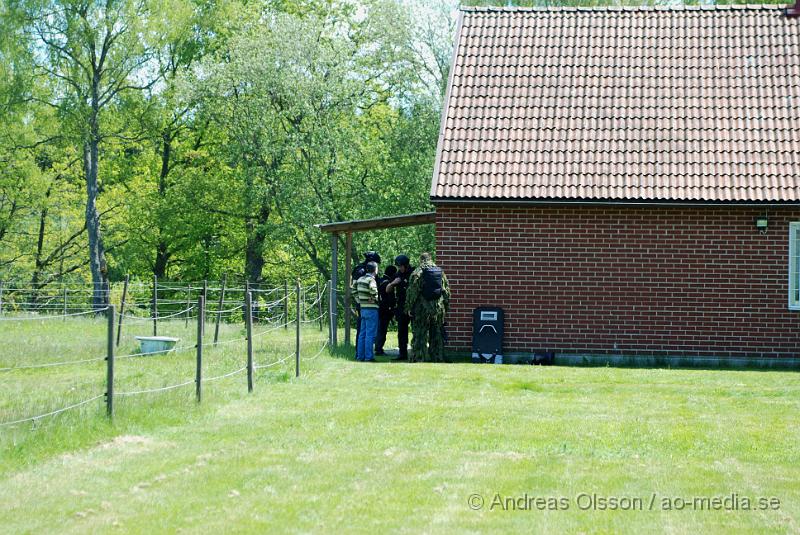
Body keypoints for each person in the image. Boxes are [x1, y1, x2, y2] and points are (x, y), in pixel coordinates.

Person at [405, 252, 450, 362]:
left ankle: (418, 357)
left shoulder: (417, 272)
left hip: (422, 309)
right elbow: (446, 292)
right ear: (431, 259)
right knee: (437, 334)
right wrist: (445, 308)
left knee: (420, 334)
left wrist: (408, 308)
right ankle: (437, 357)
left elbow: (412, 292)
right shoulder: (440, 272)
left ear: (421, 260)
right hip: (437, 308)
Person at [386, 254, 413, 361]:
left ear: (406, 265)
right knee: (402, 331)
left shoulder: (413, 273)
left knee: (416, 330)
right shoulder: (397, 274)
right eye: (398, 266)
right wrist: (393, 283)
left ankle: (418, 353)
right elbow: (387, 290)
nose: (400, 268)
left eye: (401, 266)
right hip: (401, 306)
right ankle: (402, 354)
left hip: (413, 306)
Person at [351, 251, 381, 343]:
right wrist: (361, 301)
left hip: (365, 303)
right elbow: (354, 287)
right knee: (363, 330)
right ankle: (361, 353)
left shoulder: (364, 269)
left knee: (364, 330)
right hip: (365, 305)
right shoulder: (361, 270)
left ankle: (361, 353)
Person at [354, 261, 380, 362]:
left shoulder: (360, 279)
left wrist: (359, 300)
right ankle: (369, 357)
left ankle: (360, 356)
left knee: (362, 333)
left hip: (363, 308)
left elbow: (353, 290)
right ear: (375, 269)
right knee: (370, 334)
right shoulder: (371, 280)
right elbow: (374, 292)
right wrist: (376, 299)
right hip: (371, 309)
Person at [375, 265, 398, 356]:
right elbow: (390, 298)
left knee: (380, 329)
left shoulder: (380, 281)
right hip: (385, 310)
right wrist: (393, 309)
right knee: (382, 330)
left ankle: (378, 347)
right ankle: (379, 349)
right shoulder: (387, 283)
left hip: (379, 308)